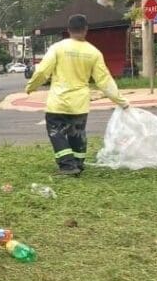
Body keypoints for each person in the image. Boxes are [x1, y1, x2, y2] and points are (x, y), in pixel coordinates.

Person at [24, 14, 129, 176]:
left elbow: (43, 71)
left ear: (68, 30)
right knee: (77, 133)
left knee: (56, 132)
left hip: (59, 102)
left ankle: (67, 165)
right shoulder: (93, 52)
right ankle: (78, 163)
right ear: (86, 30)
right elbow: (104, 81)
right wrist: (121, 101)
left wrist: (31, 86)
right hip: (80, 103)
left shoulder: (58, 48)